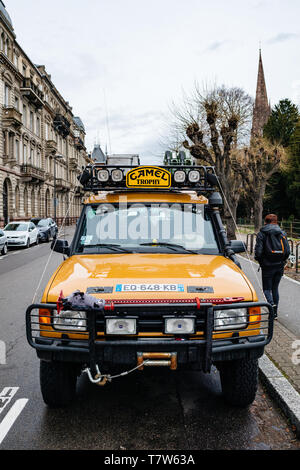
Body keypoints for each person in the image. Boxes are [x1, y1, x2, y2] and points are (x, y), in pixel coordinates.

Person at [254, 214, 290, 319]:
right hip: (279, 265)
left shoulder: (262, 233)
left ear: (265, 221)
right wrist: (283, 261)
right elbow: (287, 251)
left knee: (266, 289)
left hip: (267, 265)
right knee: (275, 288)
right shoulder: (282, 233)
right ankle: (274, 313)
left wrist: (261, 261)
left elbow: (259, 252)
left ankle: (270, 305)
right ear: (276, 221)